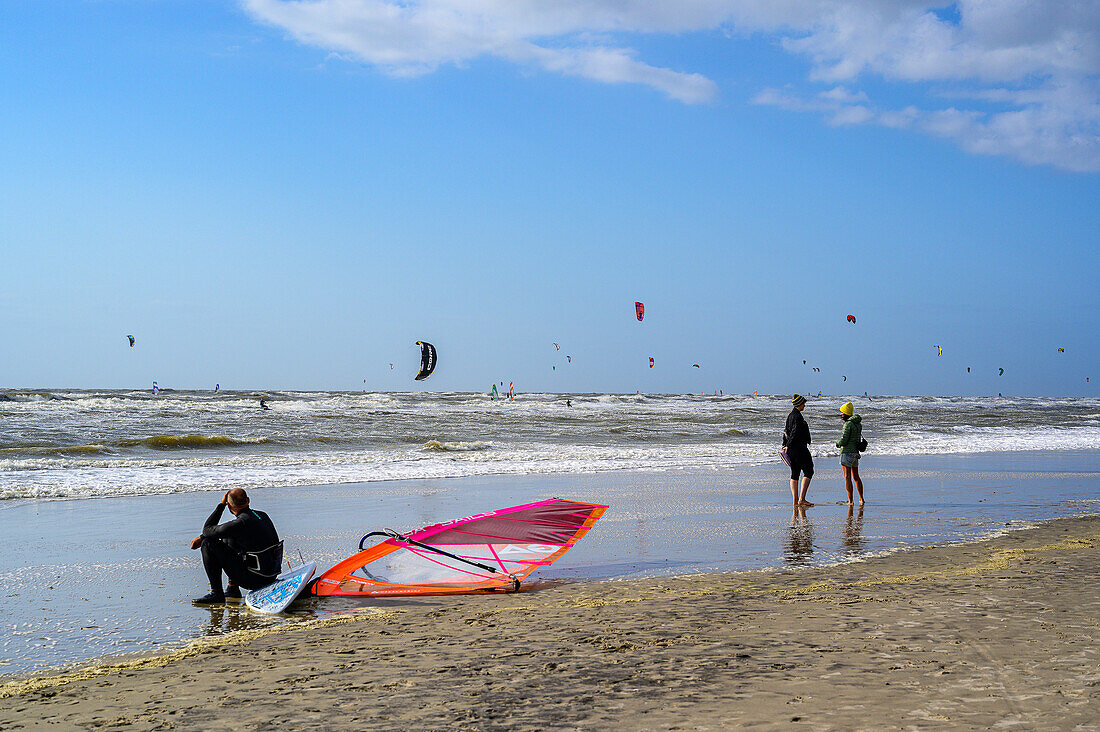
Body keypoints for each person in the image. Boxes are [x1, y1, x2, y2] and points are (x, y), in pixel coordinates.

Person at [190, 488, 281, 604]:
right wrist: (205, 535)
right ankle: (232, 588)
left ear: (228, 506)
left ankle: (216, 593)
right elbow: (221, 530)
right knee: (227, 535)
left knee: (207, 543)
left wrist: (221, 505)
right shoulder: (262, 515)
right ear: (248, 500)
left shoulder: (240, 523)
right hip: (270, 575)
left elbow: (207, 529)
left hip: (256, 580)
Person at [783, 394, 814, 507]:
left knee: (795, 474)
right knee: (809, 470)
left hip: (791, 449)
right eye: (803, 403)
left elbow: (786, 432)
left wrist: (785, 445)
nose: (804, 405)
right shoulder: (797, 417)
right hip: (799, 448)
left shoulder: (790, 415)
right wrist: (788, 444)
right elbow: (795, 432)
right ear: (799, 404)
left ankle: (795, 501)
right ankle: (802, 499)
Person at [836, 401, 864, 505]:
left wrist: (837, 443)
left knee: (847, 477)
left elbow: (844, 440)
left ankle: (851, 501)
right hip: (855, 453)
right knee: (856, 477)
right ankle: (861, 499)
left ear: (846, 413)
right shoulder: (858, 424)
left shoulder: (848, 424)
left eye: (842, 412)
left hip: (847, 452)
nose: (841, 414)